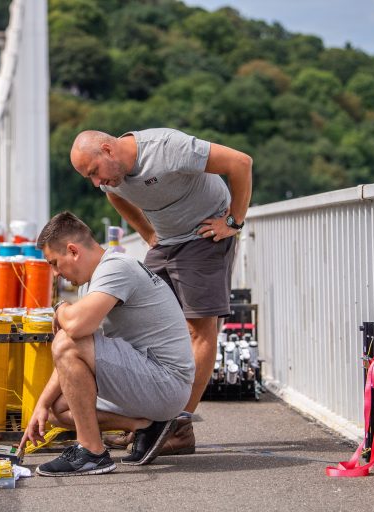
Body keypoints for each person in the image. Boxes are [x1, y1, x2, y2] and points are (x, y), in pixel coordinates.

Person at [69, 128, 253, 455]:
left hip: (204, 234)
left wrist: (233, 222)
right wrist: (147, 232)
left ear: (109, 150)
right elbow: (115, 196)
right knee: (133, 318)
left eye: (94, 172)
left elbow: (240, 163)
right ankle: (151, 420)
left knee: (198, 329)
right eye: (88, 178)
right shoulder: (114, 180)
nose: (96, 183)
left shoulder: (166, 149)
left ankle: (177, 428)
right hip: (166, 241)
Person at [19, 211, 195, 476]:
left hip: (166, 382)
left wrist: (60, 308)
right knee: (57, 410)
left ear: (73, 251)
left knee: (67, 339)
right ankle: (145, 425)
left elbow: (76, 330)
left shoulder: (116, 267)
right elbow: (72, 356)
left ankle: (91, 452)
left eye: (54, 263)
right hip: (149, 380)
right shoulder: (92, 282)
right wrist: (41, 405)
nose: (55, 273)